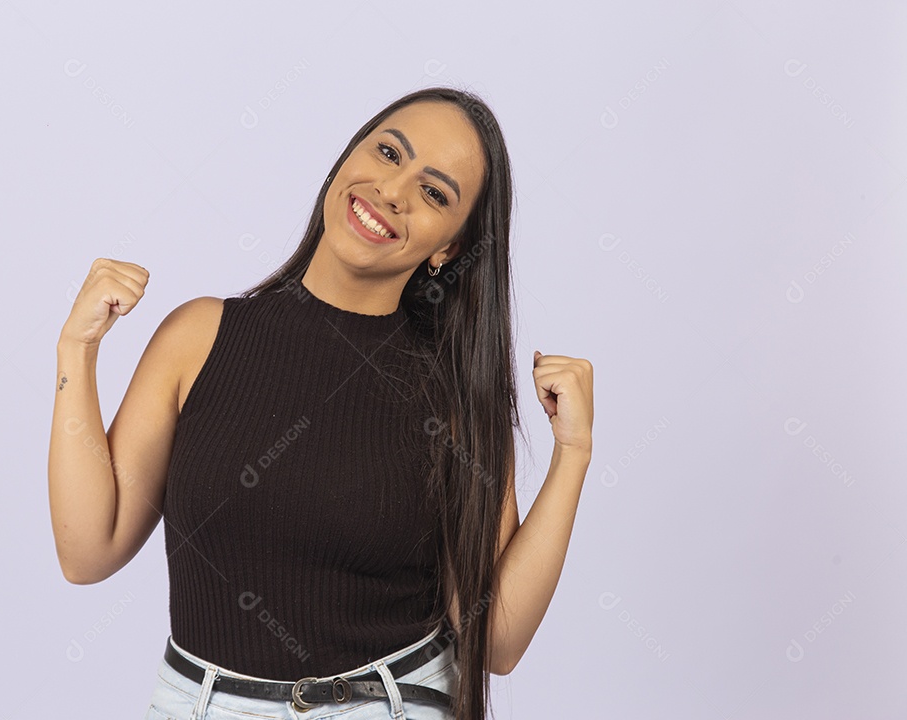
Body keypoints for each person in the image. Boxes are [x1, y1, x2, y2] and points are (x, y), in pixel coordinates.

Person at [48, 86, 595, 720]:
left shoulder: (453, 398)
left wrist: (573, 455)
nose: (393, 191)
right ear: (346, 160)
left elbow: (495, 642)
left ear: (449, 247)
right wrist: (76, 349)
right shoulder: (196, 338)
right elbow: (88, 550)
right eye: (389, 153)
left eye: (434, 192)